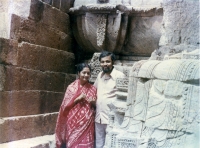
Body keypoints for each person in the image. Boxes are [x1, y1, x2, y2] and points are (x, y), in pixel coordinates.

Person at [55, 63, 97, 148]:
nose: (86, 75)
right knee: (73, 144)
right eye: (84, 72)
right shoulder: (71, 87)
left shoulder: (93, 88)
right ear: (78, 73)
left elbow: (96, 105)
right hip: (73, 122)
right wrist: (77, 99)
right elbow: (65, 107)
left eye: (88, 73)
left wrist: (93, 102)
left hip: (87, 123)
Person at [94, 51, 126, 148]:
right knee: (99, 143)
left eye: (107, 61)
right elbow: (93, 91)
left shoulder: (119, 76)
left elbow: (124, 98)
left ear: (113, 62)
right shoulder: (99, 76)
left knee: (110, 144)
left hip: (111, 118)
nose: (105, 64)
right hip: (98, 117)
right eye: (102, 62)